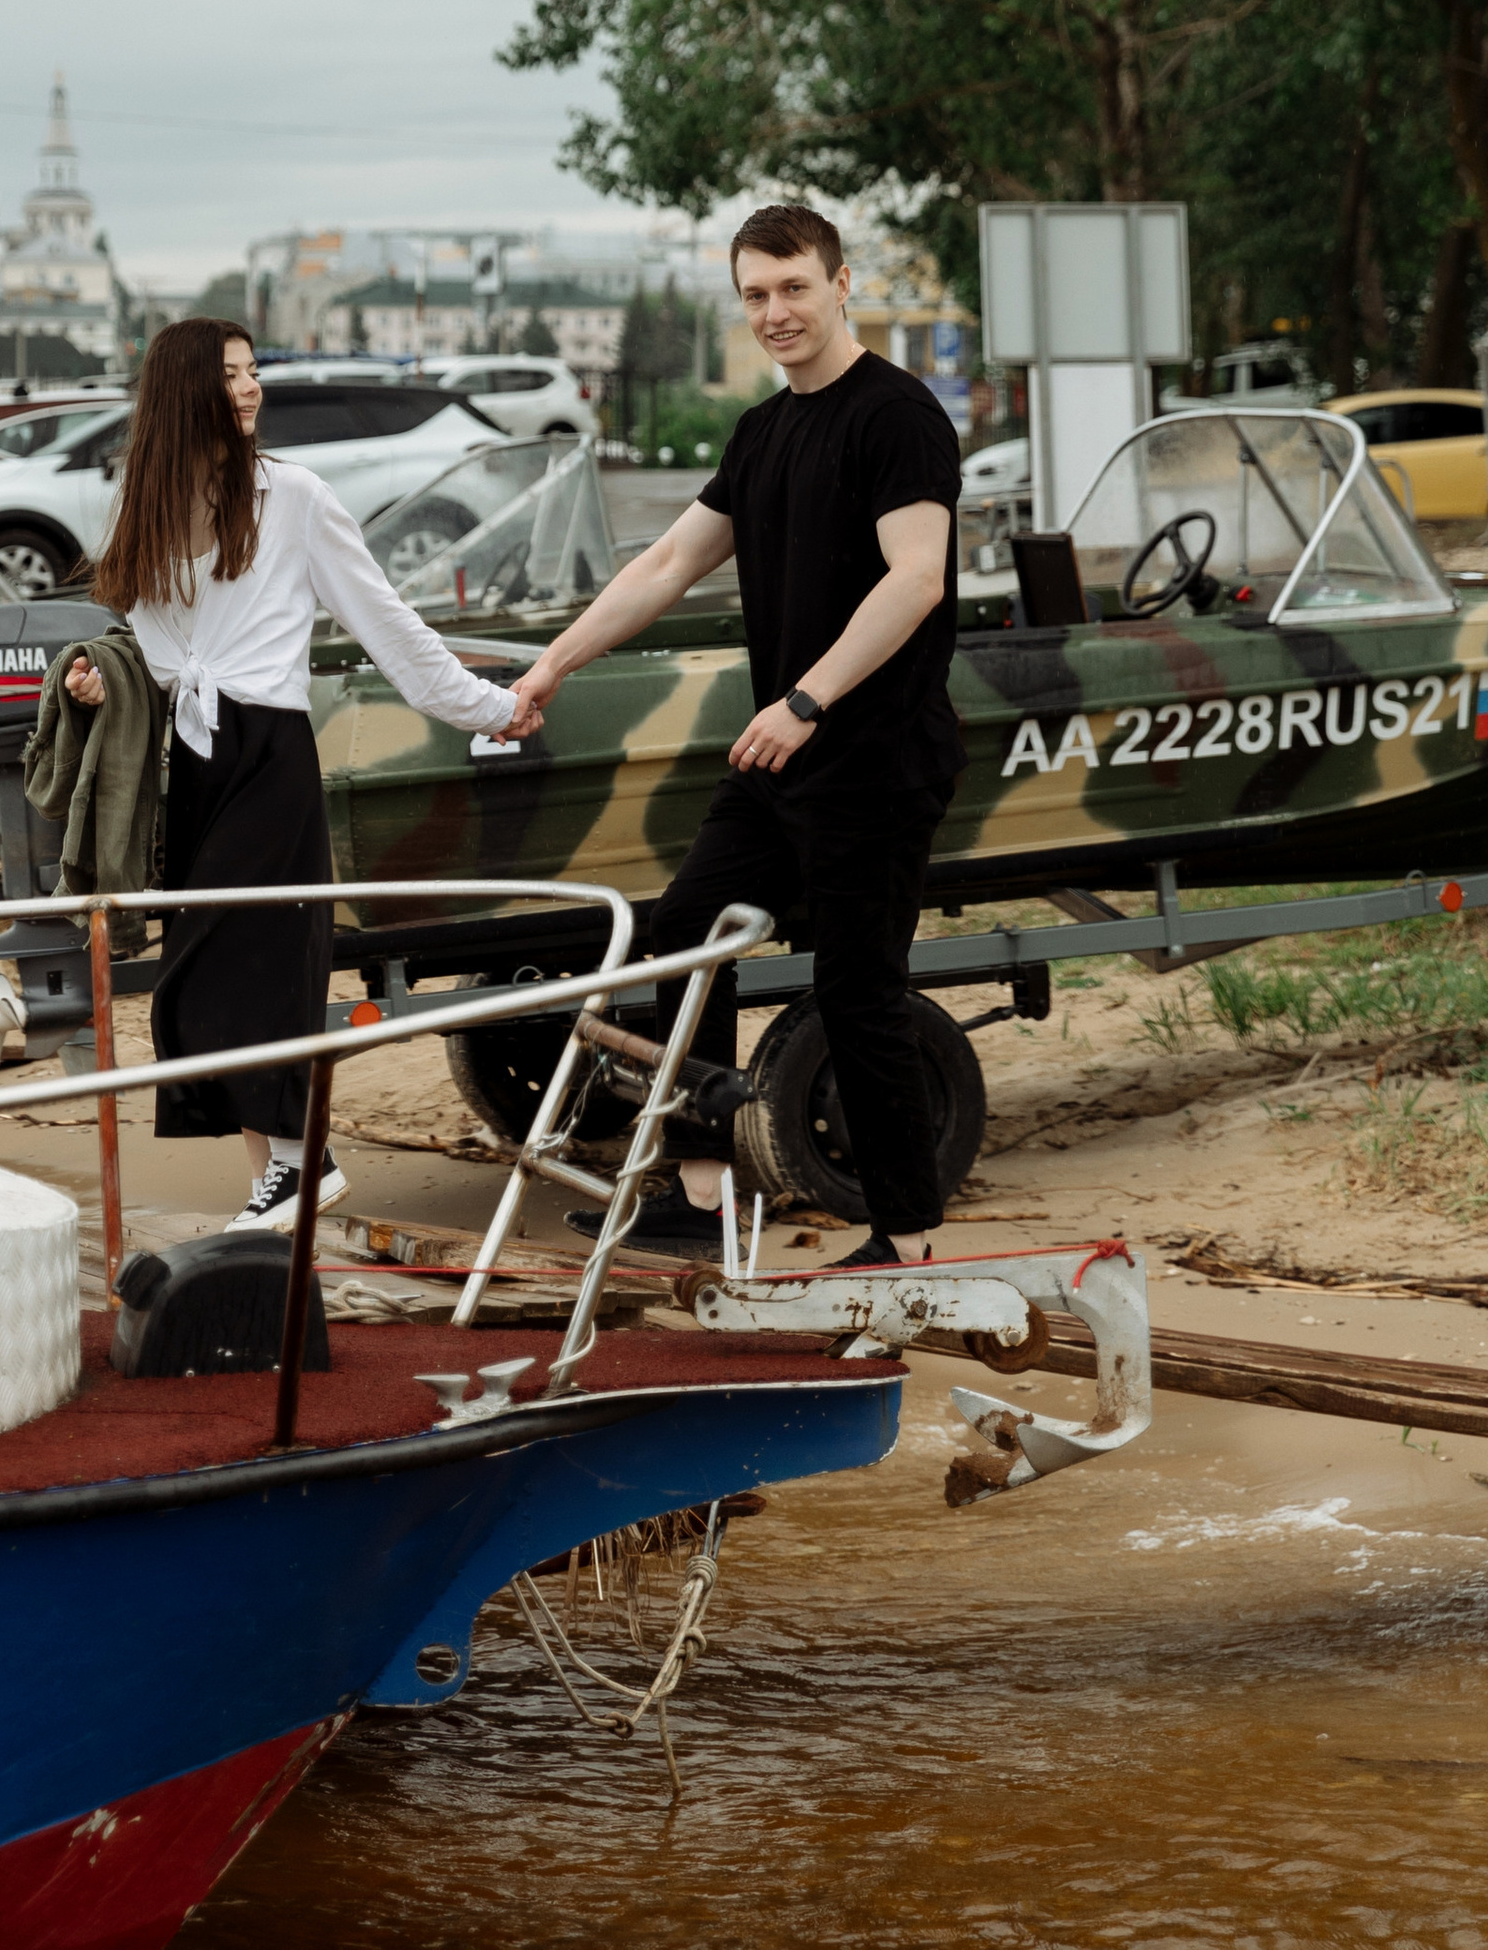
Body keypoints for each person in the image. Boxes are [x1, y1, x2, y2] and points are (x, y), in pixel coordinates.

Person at [502, 203, 962, 1266]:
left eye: (794, 287)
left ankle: (908, 1238)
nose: (775, 312)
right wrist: (550, 667)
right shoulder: (762, 432)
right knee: (684, 934)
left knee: (858, 993)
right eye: (754, 294)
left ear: (843, 284)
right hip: (779, 763)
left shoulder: (896, 415)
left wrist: (806, 701)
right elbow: (663, 567)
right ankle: (702, 1198)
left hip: (873, 760)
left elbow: (918, 578)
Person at [64, 319, 540, 1231]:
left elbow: (388, 624)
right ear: (181, 392)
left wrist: (488, 706)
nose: (249, 391)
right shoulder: (143, 506)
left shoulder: (296, 497)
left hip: (268, 757)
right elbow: (147, 650)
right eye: (230, 376)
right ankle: (282, 1175)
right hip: (186, 763)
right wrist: (97, 684)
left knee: (223, 979)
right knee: (226, 981)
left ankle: (299, 1167)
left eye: (253, 374)